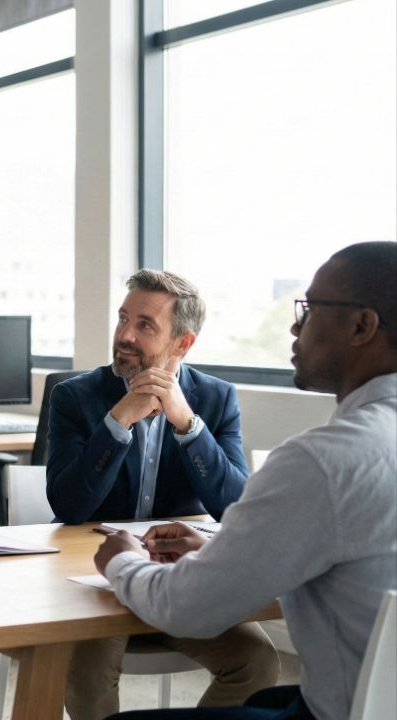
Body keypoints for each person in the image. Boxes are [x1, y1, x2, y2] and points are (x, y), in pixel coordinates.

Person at [95, 241, 397, 720]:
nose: (295, 327)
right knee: (263, 698)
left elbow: (187, 608)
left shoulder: (323, 460)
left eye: (311, 309)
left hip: (344, 710)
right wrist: (230, 555)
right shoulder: (79, 394)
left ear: (362, 325)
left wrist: (122, 562)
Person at [46, 269, 278, 718]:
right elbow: (70, 506)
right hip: (93, 577)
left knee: (257, 662)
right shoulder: (76, 397)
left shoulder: (216, 398)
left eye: (145, 325)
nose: (125, 335)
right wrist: (118, 423)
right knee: (89, 676)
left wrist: (187, 424)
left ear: (183, 344)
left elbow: (233, 507)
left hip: (178, 577)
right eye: (122, 319)